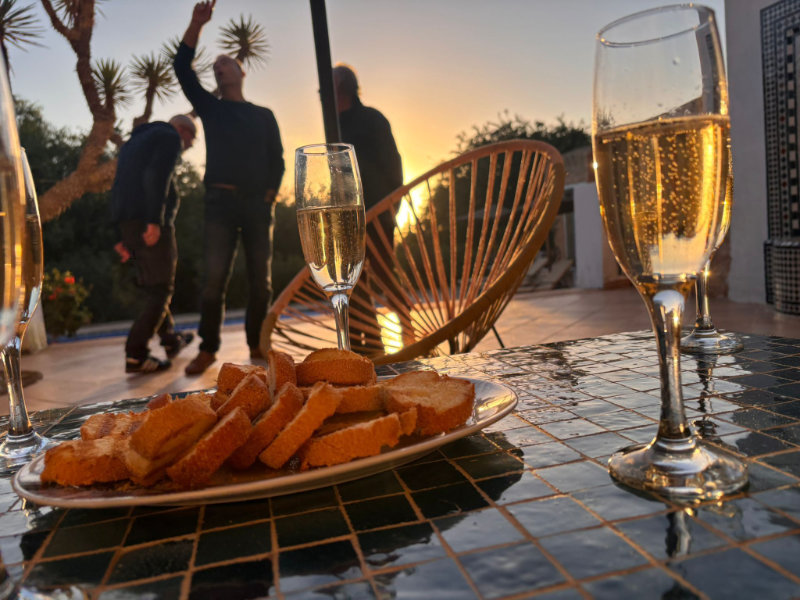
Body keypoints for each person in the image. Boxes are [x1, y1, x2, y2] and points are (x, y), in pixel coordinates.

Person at [174, 0, 285, 375]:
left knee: (261, 282)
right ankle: (207, 349)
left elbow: (278, 159)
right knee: (213, 281)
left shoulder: (263, 115)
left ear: (241, 70)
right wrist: (196, 24)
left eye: (225, 63)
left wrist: (269, 197)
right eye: (215, 65)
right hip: (219, 204)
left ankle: (258, 344)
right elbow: (181, 68)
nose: (219, 67)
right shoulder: (211, 107)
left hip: (257, 206)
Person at [111, 114, 197, 374]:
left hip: (129, 223)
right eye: (192, 138)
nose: (191, 145)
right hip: (147, 221)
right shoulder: (169, 137)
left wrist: (118, 235)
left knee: (154, 286)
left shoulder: (133, 143)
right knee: (161, 289)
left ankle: (170, 340)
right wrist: (154, 221)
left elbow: (118, 186)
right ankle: (136, 354)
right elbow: (156, 177)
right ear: (183, 130)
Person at [333, 64, 406, 350]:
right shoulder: (333, 125)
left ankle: (409, 332)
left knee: (386, 274)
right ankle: (369, 344)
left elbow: (393, 162)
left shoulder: (372, 118)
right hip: (347, 217)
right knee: (353, 281)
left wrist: (392, 207)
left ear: (344, 84)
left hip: (378, 211)